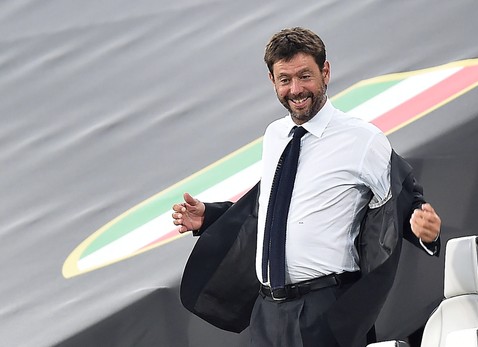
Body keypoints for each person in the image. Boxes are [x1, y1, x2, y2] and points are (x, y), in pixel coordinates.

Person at [173, 27, 442, 347]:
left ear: (325, 72)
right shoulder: (274, 136)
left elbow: (404, 196)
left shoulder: (362, 139)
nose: (296, 89)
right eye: (285, 79)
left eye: (305, 76)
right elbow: (271, 209)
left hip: (323, 311)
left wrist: (423, 228)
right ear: (272, 81)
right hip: (267, 315)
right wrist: (210, 216)